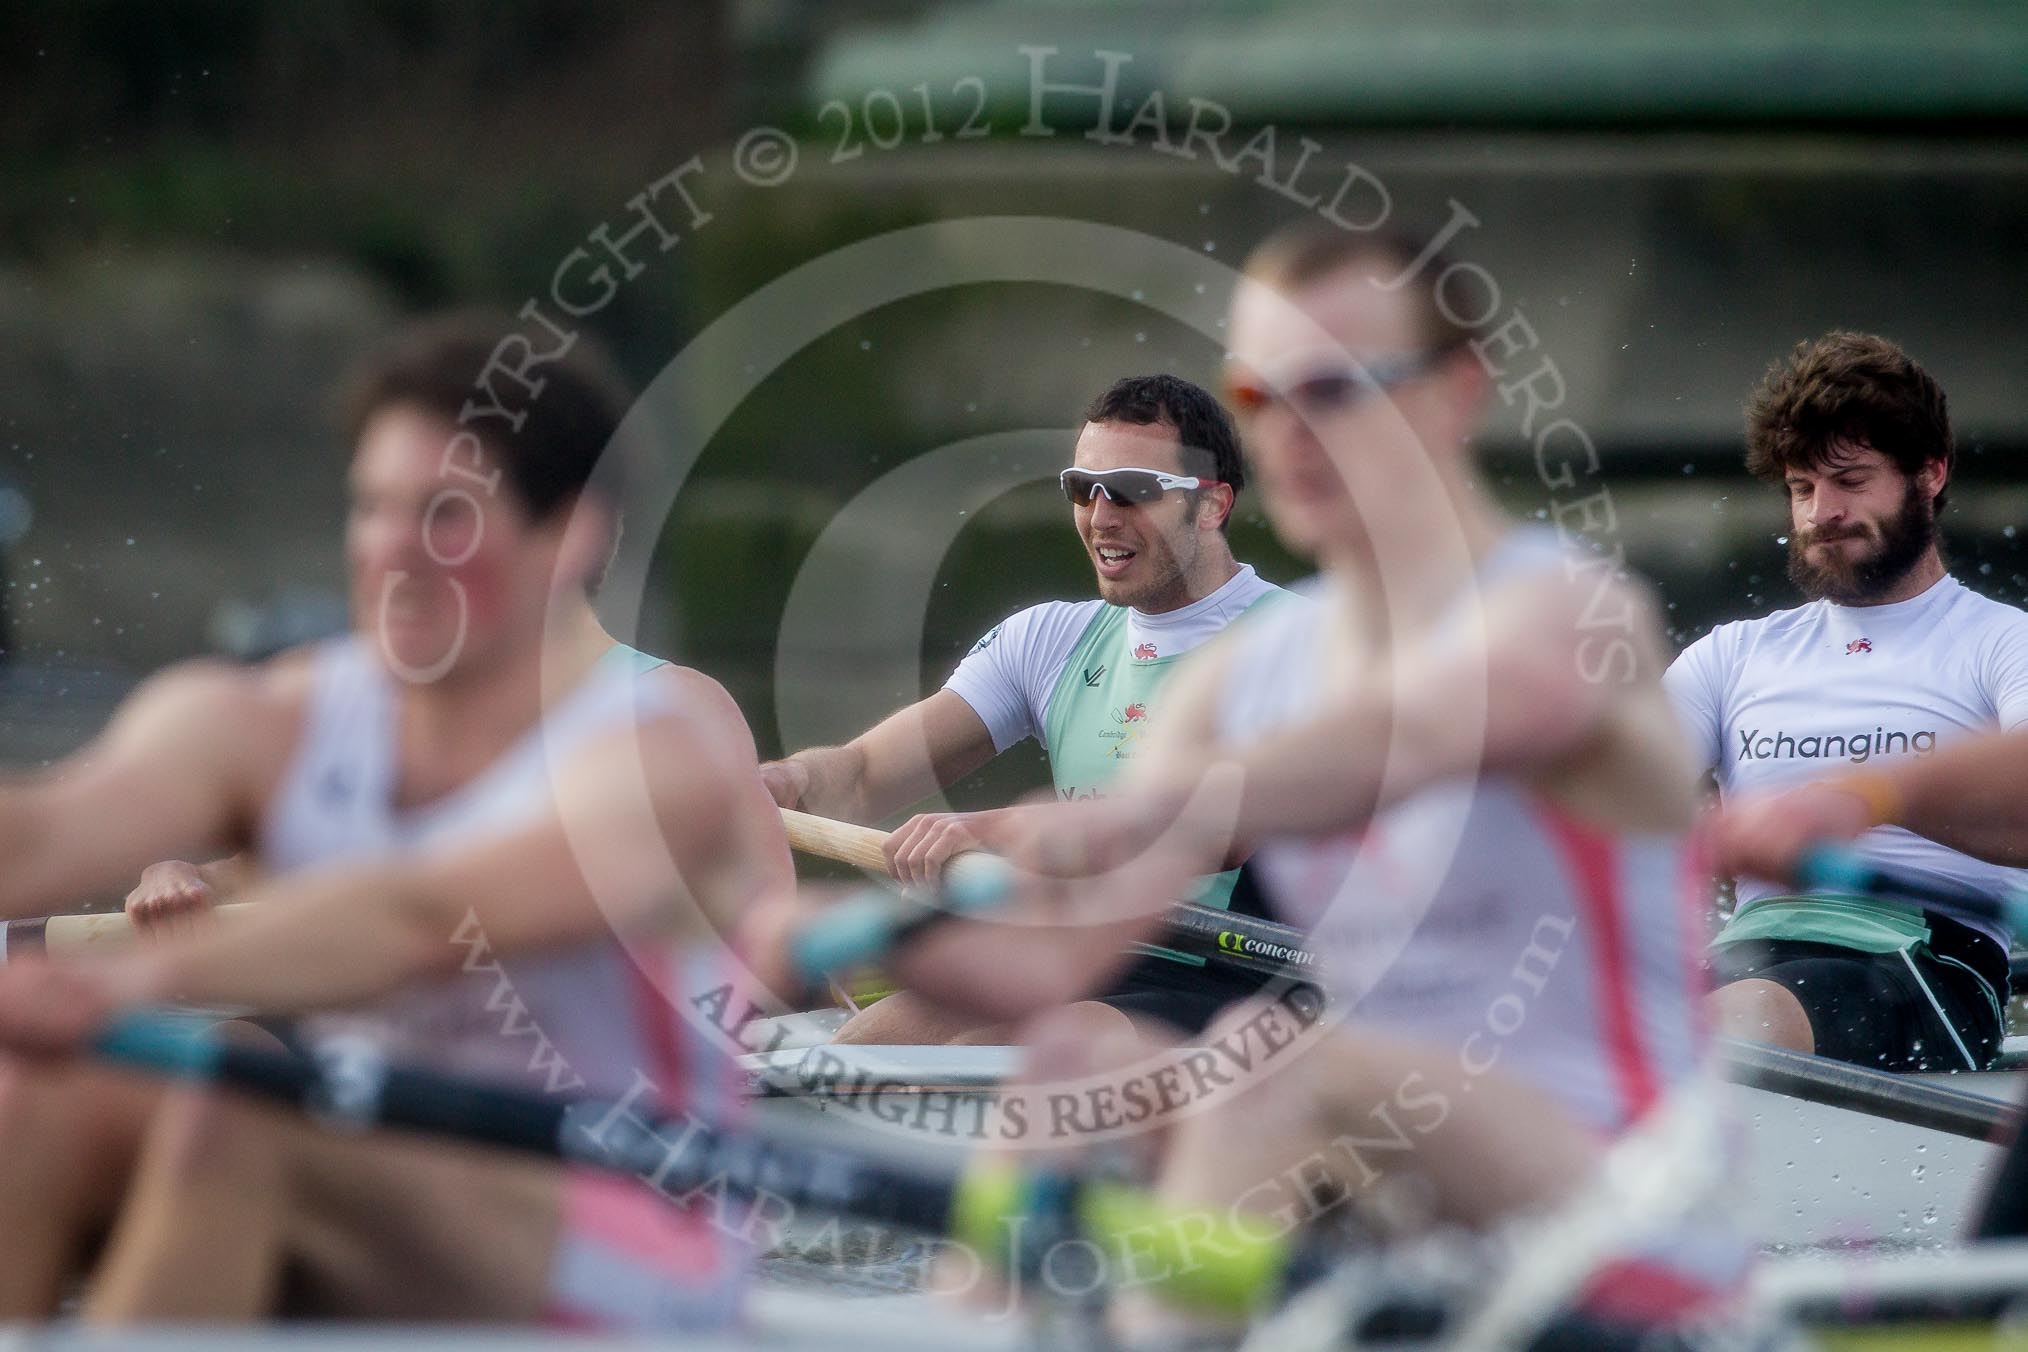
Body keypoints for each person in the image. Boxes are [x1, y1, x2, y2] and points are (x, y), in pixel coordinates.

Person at [747, 220, 1735, 1330]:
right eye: (1263, 396)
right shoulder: (1245, 677)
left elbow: (1405, 737)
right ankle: (960, 1324)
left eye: (1338, 387)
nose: (1293, 433)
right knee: (1072, 1055)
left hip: (1615, 1181)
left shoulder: (1571, 609)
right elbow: (1058, 957)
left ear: (1457, 392)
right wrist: (811, 951)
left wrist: (1101, 820)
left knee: (1265, 1061)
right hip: (1374, 1170)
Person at [0, 314, 791, 1327]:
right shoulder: (279, 714)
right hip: (379, 1168)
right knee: (40, 1090)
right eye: (371, 507)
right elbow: (45, 833)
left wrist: (125, 978)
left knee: (242, 1108)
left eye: (444, 515)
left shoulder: (658, 752)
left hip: (639, 1225)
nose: (390, 552)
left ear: (571, 531)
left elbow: (420, 918)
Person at [764, 373, 1293, 1042]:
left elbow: (1218, 830)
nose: (1102, 516)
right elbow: (866, 772)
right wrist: (786, 782)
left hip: (1242, 976)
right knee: (865, 1053)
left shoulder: (1295, 639)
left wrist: (994, 833)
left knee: (1024, 1056)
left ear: (1213, 504)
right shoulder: (1049, 638)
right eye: (1083, 489)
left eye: (1132, 490)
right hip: (1079, 959)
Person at [1665, 331, 2028, 1073]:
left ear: (1929, 475)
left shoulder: (2002, 643)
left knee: (1702, 1026)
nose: (1820, 512)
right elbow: (1608, 797)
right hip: (1751, 952)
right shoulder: (1731, 656)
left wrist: (1860, 799)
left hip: (1925, 964)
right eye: (1802, 488)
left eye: (1851, 481)